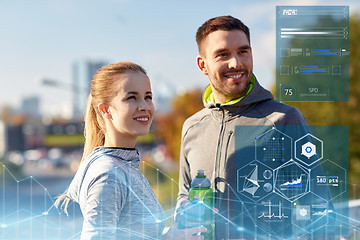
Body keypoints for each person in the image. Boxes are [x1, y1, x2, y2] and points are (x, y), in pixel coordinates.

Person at [176, 16, 313, 239]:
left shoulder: (284, 119)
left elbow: (316, 203)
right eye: (223, 55)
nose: (236, 63)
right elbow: (183, 196)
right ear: (203, 65)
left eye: (243, 51)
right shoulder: (192, 127)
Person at [55, 61, 206, 239]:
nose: (144, 106)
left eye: (148, 97)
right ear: (105, 110)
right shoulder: (108, 174)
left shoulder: (124, 166)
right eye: (131, 98)